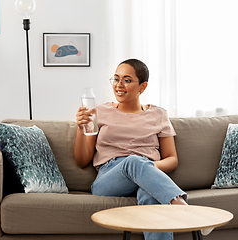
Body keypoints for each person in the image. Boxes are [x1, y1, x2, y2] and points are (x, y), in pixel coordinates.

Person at [74, 59, 187, 240]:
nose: (119, 85)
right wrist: (81, 128)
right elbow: (82, 160)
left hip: (147, 172)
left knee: (150, 195)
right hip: (108, 178)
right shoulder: (100, 112)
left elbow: (172, 159)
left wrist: (145, 170)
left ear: (143, 86)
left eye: (127, 80)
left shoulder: (158, 115)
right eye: (116, 79)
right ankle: (181, 206)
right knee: (134, 161)